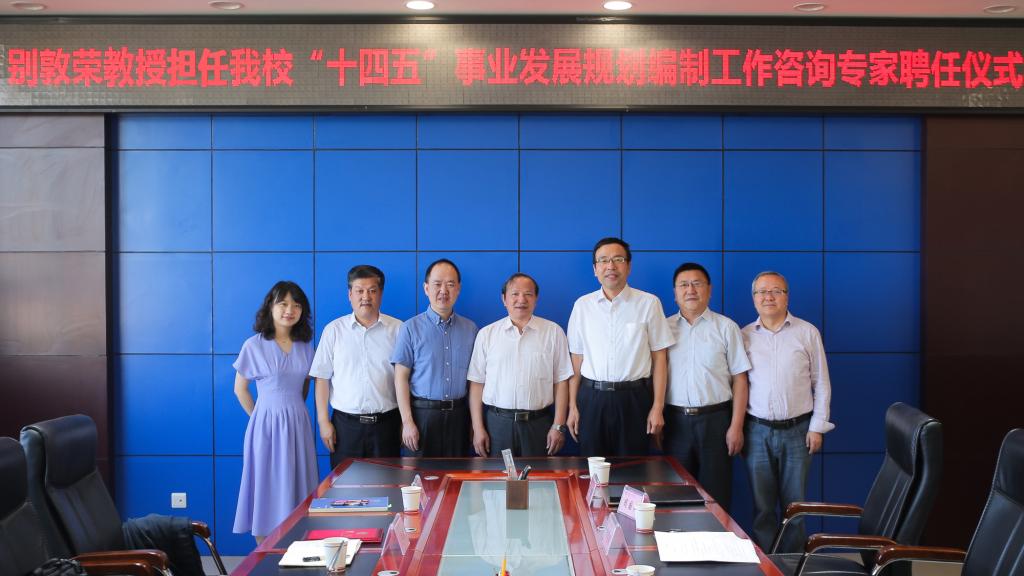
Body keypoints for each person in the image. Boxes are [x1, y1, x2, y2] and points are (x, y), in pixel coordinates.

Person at [741, 271, 833, 552]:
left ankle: (792, 564)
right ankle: (768, 565)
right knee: (763, 508)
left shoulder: (807, 332)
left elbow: (821, 382)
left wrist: (817, 427)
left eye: (776, 291)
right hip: (756, 432)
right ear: (753, 298)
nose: (768, 297)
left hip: (798, 431)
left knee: (795, 508)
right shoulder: (744, 336)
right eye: (761, 292)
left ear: (786, 297)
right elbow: (738, 385)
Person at [566, 237, 675, 456]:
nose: (611, 266)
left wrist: (657, 407)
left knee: (633, 469)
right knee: (593, 468)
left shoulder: (649, 303)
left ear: (629, 266)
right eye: (603, 260)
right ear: (595, 269)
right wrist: (573, 406)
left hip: (634, 399)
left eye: (618, 259)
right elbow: (576, 360)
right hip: (592, 398)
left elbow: (660, 359)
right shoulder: (582, 306)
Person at [232, 281, 318, 544]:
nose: (289, 310)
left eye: (296, 305)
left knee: (298, 486)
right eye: (283, 303)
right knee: (266, 490)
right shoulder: (254, 345)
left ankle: (298, 553)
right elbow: (240, 389)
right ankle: (265, 556)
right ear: (270, 306)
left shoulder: (306, 346)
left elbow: (304, 386)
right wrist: (259, 417)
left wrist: (292, 411)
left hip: (299, 424)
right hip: (266, 427)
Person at [663, 262, 750, 512]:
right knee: (676, 497)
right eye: (683, 285)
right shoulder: (663, 328)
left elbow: (740, 379)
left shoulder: (726, 327)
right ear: (675, 293)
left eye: (697, 284)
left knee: (716, 497)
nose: (690, 290)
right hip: (675, 423)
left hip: (716, 422)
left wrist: (736, 426)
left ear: (709, 290)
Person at [468, 273, 572, 457]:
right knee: (498, 475)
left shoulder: (553, 332)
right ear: (504, 299)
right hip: (497, 425)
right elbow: (477, 384)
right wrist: (478, 428)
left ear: (536, 299)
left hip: (539, 424)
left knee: (539, 475)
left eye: (528, 294)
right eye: (515, 294)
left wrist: (558, 425)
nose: (521, 300)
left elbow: (561, 381)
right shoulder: (487, 334)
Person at [311, 265, 402, 469]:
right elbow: (322, 379)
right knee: (344, 485)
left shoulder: (398, 329)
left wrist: (406, 420)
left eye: (372, 290)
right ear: (350, 294)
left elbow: (407, 379)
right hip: (345, 427)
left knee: (388, 483)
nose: (365, 297)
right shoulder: (333, 331)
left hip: (387, 425)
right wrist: (323, 422)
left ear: (381, 294)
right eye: (359, 291)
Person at [392, 258, 478, 456]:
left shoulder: (471, 329)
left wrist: (475, 423)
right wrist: (407, 422)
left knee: (458, 472)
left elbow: (475, 381)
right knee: (420, 475)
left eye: (450, 284)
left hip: (459, 417)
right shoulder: (410, 328)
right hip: (422, 416)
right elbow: (400, 378)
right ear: (426, 288)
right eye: (437, 284)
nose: (443, 291)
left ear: (458, 289)